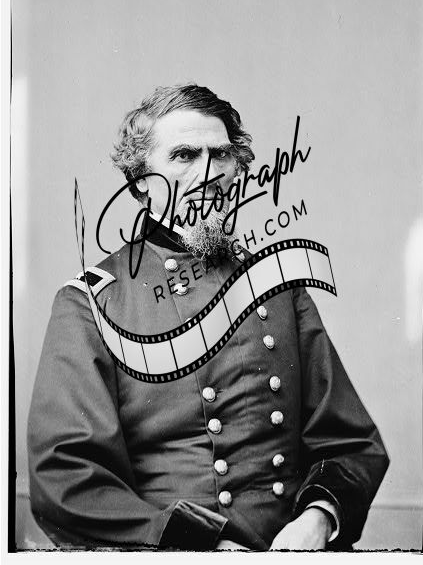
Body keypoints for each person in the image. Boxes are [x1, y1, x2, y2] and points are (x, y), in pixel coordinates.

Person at [27, 84, 389, 551]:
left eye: (220, 155)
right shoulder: (91, 303)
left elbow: (350, 443)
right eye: (184, 155)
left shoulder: (278, 285)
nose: (207, 173)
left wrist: (318, 519)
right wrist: (207, 547)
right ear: (140, 180)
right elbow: (66, 476)